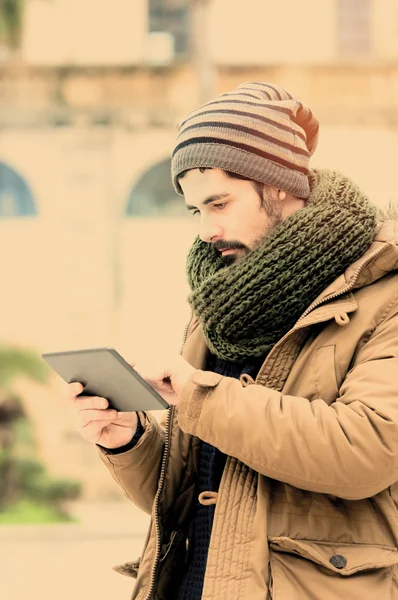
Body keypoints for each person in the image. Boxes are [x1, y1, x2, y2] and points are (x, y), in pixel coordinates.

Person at [67, 82, 398, 600]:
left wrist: (197, 394)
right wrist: (129, 440)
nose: (205, 230)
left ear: (281, 183)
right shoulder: (221, 302)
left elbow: (367, 451)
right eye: (195, 210)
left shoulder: (384, 293)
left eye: (219, 203)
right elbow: (197, 493)